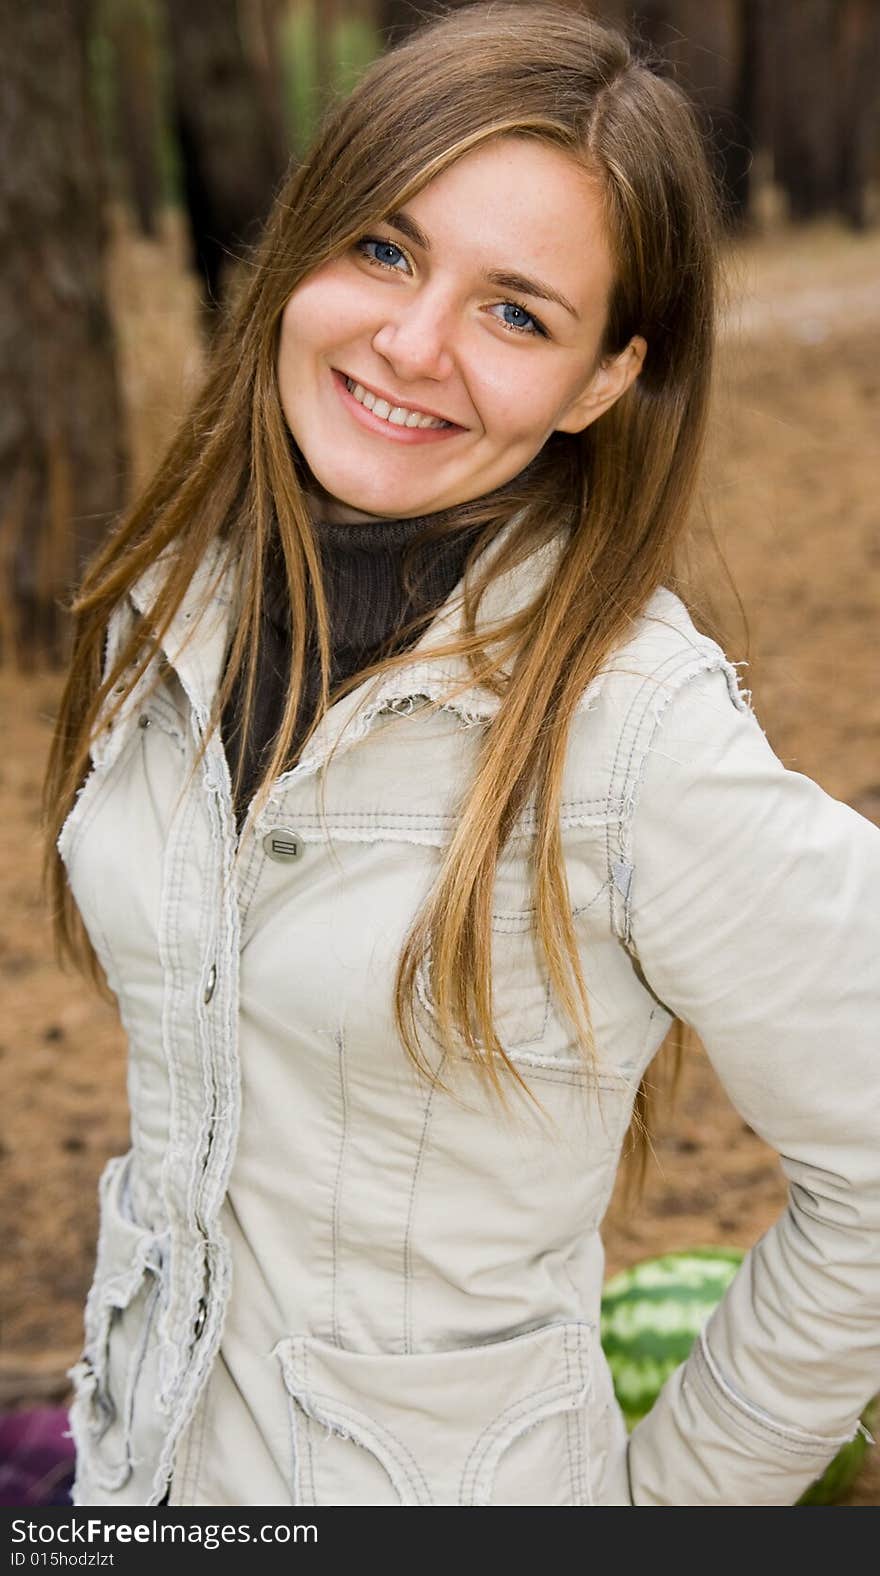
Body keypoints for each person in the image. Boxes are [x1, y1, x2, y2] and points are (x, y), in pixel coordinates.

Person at [43, 2, 879, 1508]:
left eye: (517, 313)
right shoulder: (167, 611)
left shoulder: (637, 737)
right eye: (382, 247)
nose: (411, 345)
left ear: (605, 381)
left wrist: (669, 1510)